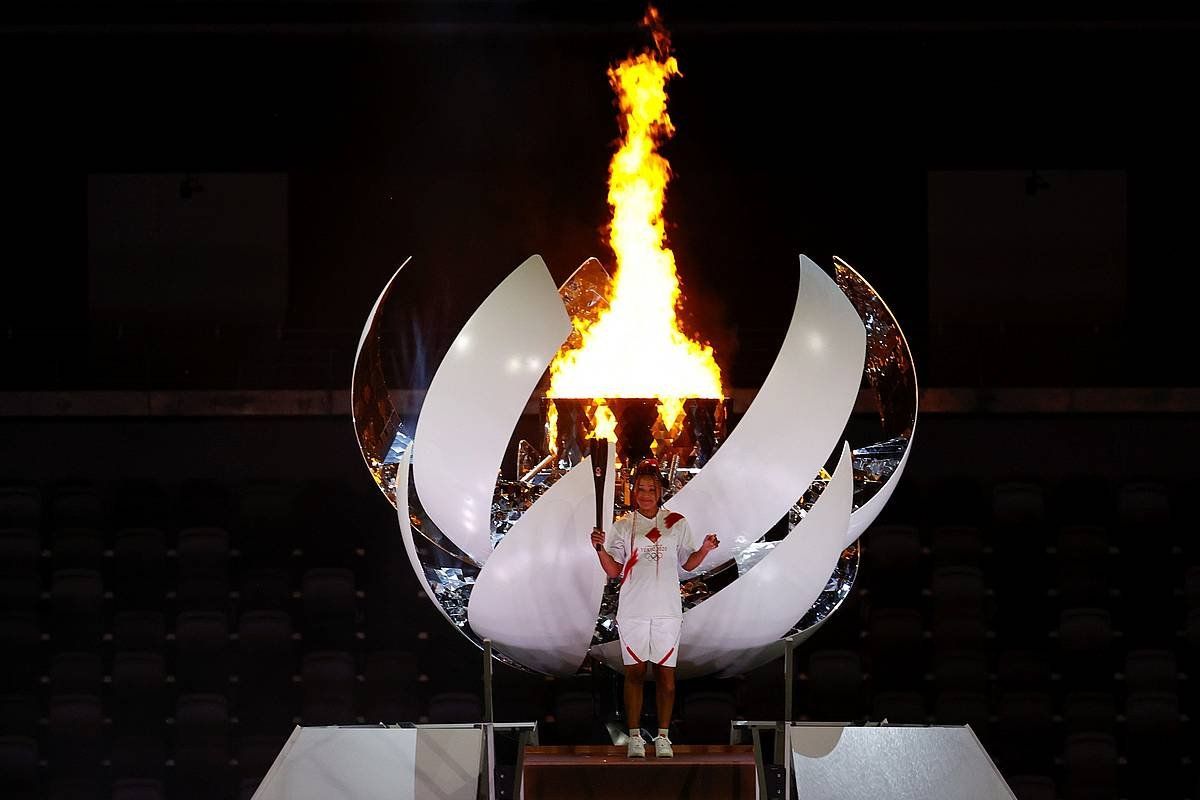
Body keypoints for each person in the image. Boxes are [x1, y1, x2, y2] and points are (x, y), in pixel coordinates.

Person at [590, 458, 719, 758]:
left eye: (652, 489)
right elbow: (613, 570)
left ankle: (663, 737)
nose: (646, 494)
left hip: (667, 611)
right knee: (634, 675)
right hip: (633, 609)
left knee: (666, 679)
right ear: (633, 490)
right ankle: (634, 737)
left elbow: (687, 563)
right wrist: (598, 548)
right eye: (641, 488)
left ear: (660, 491)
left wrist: (705, 549)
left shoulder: (676, 522)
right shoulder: (622, 525)